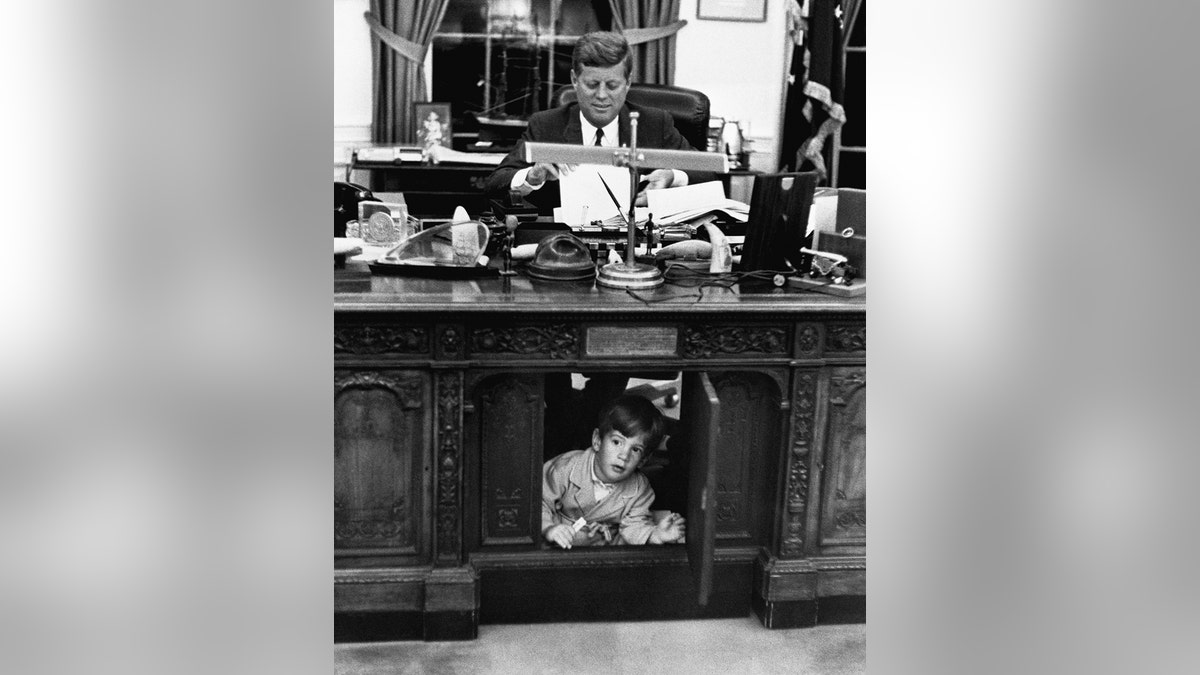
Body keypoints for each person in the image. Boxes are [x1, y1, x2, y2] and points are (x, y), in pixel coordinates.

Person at [484, 31, 707, 215]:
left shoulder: (654, 124)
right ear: (574, 80)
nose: (601, 95)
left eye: (612, 85)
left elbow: (708, 173)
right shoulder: (546, 125)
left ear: (627, 83)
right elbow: (494, 184)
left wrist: (673, 176)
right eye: (592, 84)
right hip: (566, 250)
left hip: (637, 247)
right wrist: (533, 175)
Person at [542, 394, 686, 549]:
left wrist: (655, 534)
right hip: (557, 544)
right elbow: (539, 503)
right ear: (597, 440)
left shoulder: (640, 488)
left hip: (603, 550)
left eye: (636, 449)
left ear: (643, 460)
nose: (624, 456)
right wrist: (549, 529)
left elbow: (634, 526)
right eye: (617, 442)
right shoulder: (564, 468)